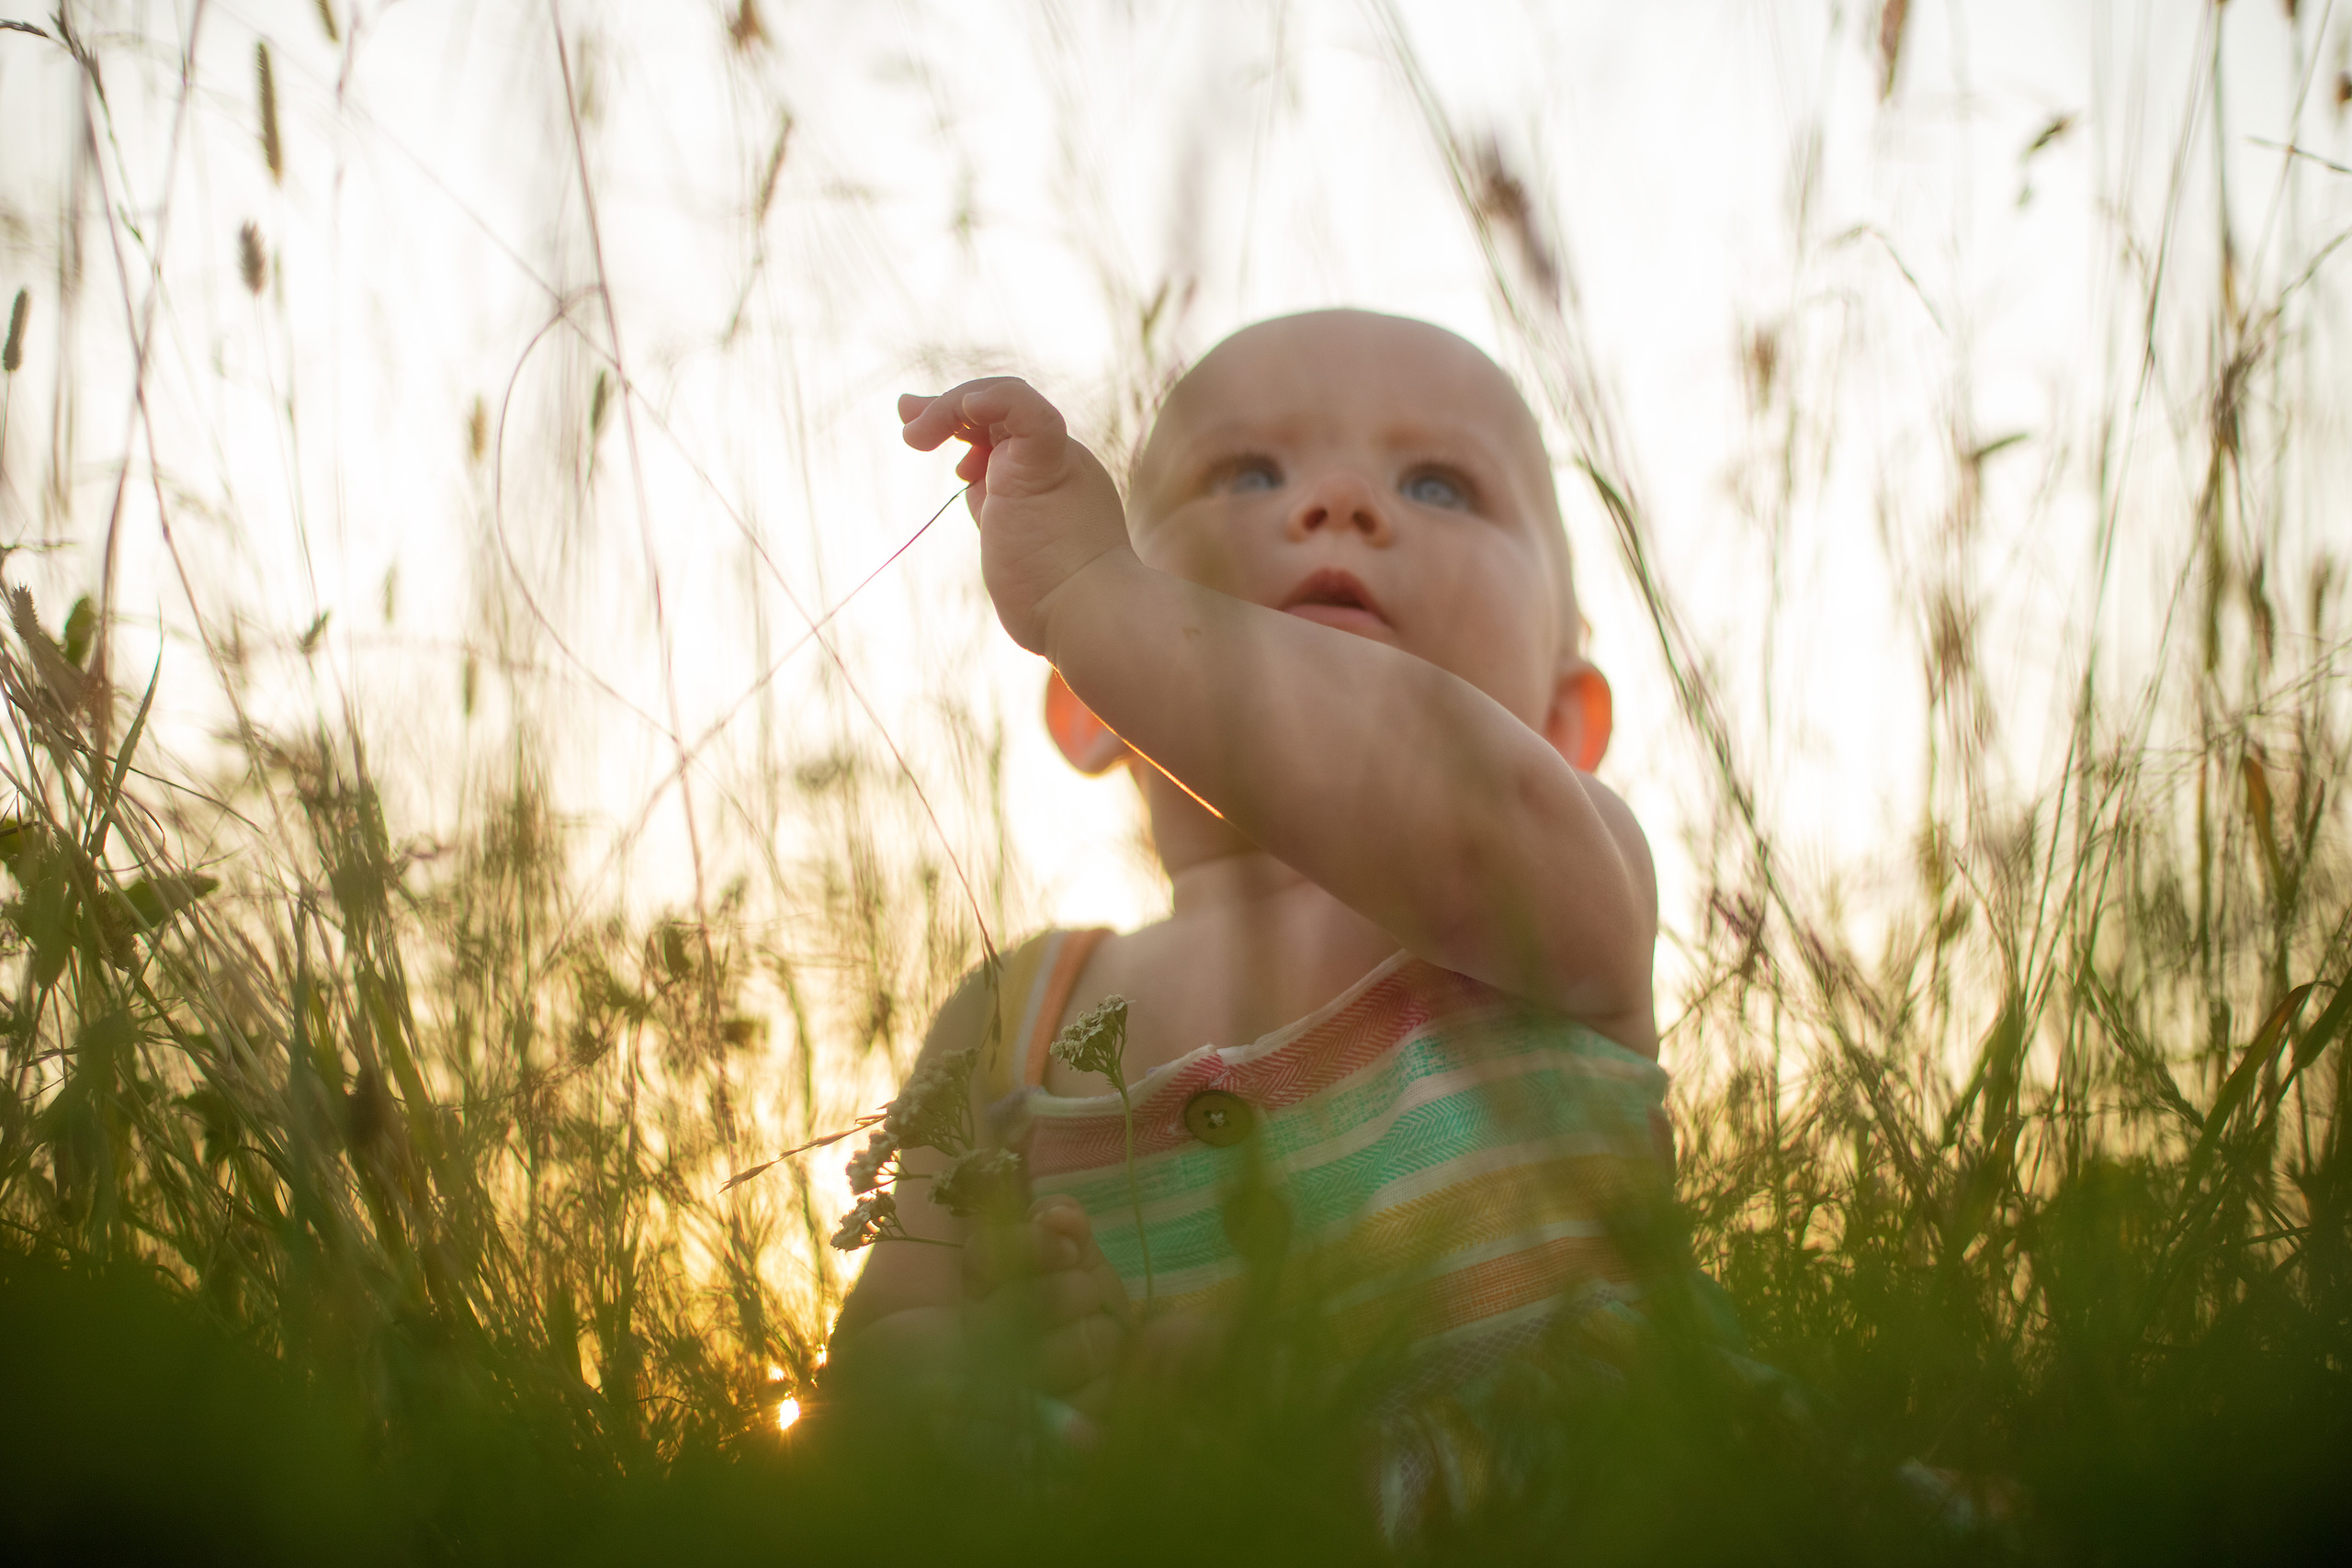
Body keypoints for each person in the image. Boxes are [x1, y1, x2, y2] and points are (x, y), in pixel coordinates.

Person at [825, 310, 1679, 1494]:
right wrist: (985, 1357)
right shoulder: (1010, 1015)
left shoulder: (1555, 888)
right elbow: (873, 1375)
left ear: (1560, 727)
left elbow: (1456, 810)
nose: (1336, 500)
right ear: (1090, 706)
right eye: (1248, 473)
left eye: (1437, 483)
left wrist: (1090, 591)